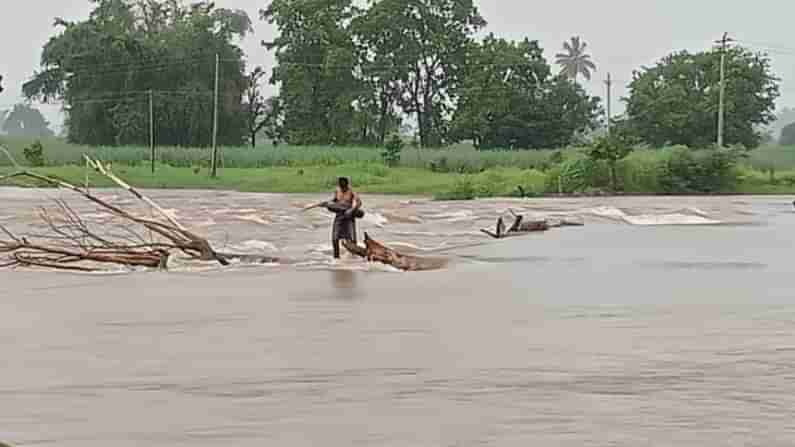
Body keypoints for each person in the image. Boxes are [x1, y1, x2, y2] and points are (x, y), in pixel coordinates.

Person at [325, 177, 364, 259]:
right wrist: (329, 203)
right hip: (339, 216)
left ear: (347, 185)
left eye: (344, 187)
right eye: (341, 186)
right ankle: (336, 259)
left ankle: (354, 259)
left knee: (352, 240)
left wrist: (352, 210)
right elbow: (335, 200)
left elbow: (359, 203)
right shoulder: (337, 191)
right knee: (335, 239)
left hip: (349, 216)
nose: (343, 188)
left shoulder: (352, 191)